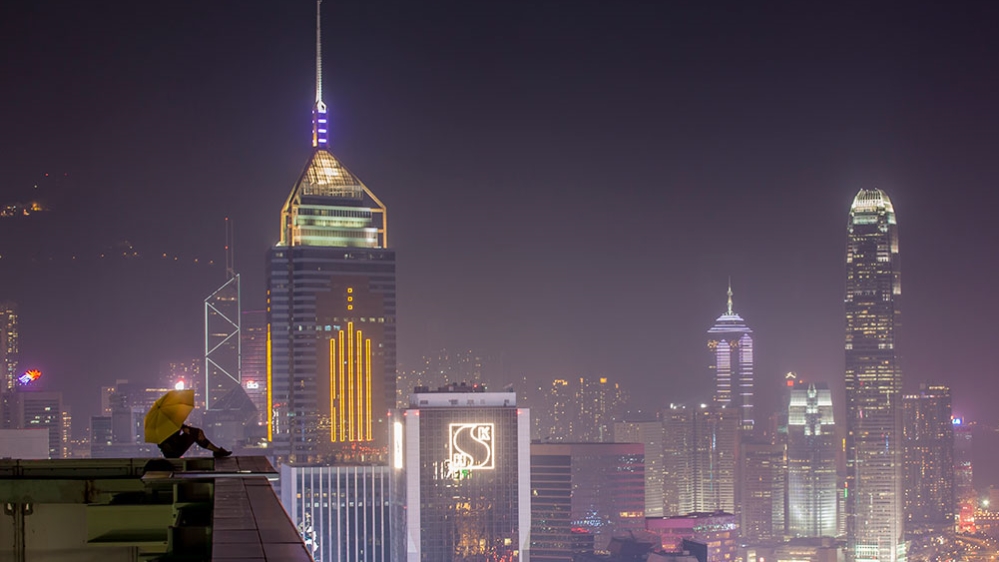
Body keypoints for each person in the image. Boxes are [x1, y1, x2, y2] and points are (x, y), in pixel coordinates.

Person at [158, 424, 231, 459]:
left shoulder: (172, 422)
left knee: (196, 432)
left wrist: (185, 428)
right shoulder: (162, 427)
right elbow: (167, 443)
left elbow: (185, 428)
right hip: (172, 452)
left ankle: (217, 451)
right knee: (195, 433)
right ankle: (217, 451)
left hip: (175, 448)